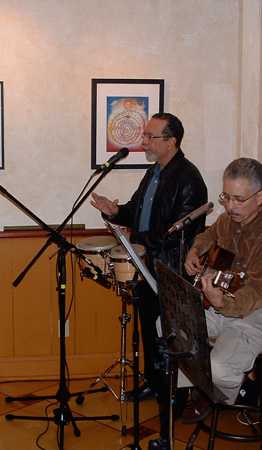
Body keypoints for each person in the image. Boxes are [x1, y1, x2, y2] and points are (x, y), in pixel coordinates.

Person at [91, 112, 208, 409]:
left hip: (171, 270)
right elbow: (136, 210)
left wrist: (139, 240)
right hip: (146, 266)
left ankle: (175, 395)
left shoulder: (189, 180)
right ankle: (155, 383)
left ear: (171, 141)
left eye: (150, 137)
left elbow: (174, 232)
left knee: (171, 336)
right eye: (144, 135)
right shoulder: (154, 172)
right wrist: (116, 213)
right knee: (148, 330)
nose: (143, 142)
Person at [182, 158, 262, 423]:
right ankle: (210, 387)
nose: (230, 206)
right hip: (226, 301)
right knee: (171, 325)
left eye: (239, 199)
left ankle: (242, 391)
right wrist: (196, 250)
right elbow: (209, 235)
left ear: (260, 197)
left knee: (219, 368)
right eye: (226, 197)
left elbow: (255, 295)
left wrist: (221, 304)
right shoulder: (229, 220)